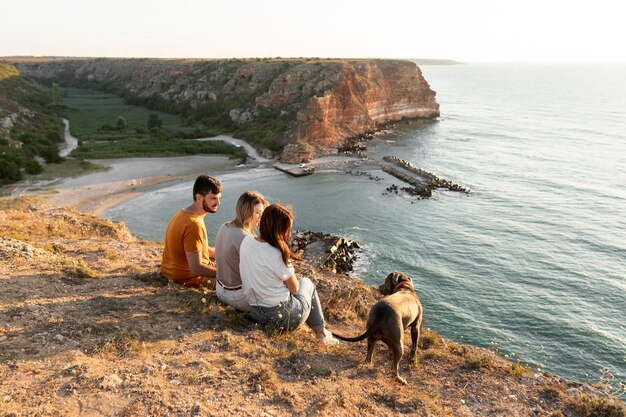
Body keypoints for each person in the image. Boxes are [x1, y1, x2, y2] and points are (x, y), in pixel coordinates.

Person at [239, 203, 338, 345]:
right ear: (280, 229)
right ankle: (321, 333)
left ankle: (321, 331)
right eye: (288, 229)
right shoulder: (277, 253)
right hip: (283, 318)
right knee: (307, 283)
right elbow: (295, 289)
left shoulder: (246, 241)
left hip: (256, 313)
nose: (290, 233)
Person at [160, 175, 221, 287]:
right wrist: (225, 275)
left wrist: (223, 253)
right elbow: (196, 268)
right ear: (199, 198)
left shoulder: (183, 214)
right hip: (188, 278)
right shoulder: (194, 224)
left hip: (170, 271)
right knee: (239, 283)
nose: (218, 203)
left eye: (218, 198)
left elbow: (195, 248)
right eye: (213, 198)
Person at [214, 191, 267, 311]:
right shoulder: (246, 238)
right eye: (257, 212)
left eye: (262, 212)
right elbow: (259, 274)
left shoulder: (224, 226)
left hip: (220, 290)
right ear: (246, 212)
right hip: (238, 298)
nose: (260, 217)